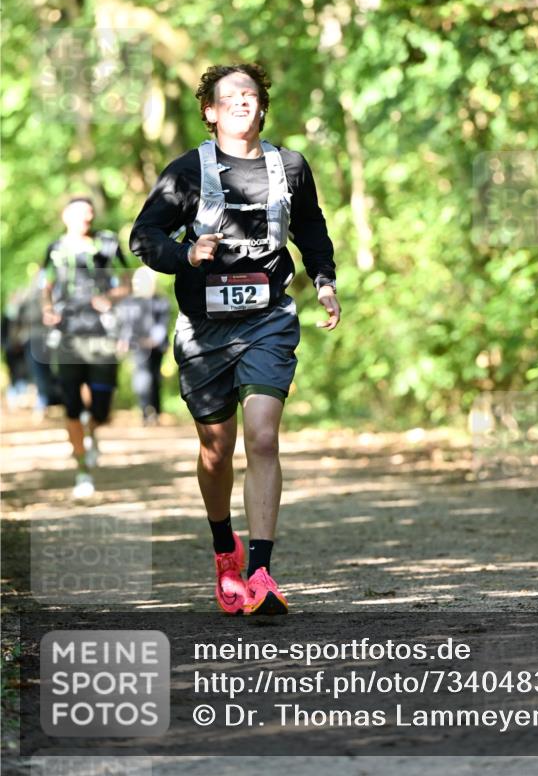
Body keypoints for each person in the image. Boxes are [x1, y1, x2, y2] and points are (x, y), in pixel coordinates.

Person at [130, 62, 340, 615]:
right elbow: (143, 236)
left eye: (250, 94)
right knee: (216, 449)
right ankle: (226, 548)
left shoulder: (289, 166)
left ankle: (262, 573)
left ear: (262, 105)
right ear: (210, 111)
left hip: (268, 318)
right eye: (230, 97)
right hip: (204, 331)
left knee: (263, 437)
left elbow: (310, 227)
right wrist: (186, 253)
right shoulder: (186, 172)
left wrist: (324, 282)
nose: (242, 102)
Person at [42, 196, 128, 499]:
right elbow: (46, 286)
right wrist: (47, 309)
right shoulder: (55, 249)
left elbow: (126, 282)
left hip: (101, 332)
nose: (86, 219)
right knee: (71, 404)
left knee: (101, 408)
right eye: (80, 214)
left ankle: (91, 429)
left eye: (90, 214)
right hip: (67, 334)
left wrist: (110, 298)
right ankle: (82, 470)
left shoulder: (107, 244)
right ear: (66, 216)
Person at [119, 267, 171, 425]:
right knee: (141, 378)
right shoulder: (130, 302)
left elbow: (162, 324)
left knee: (155, 378)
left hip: (156, 347)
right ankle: (144, 412)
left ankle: (156, 412)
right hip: (138, 346)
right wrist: (124, 340)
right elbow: (126, 325)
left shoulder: (161, 301)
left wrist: (154, 339)